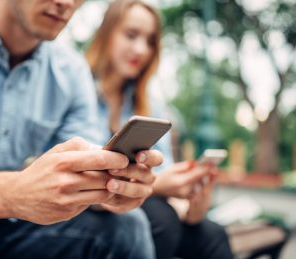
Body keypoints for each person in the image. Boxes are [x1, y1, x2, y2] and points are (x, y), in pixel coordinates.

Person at [0, 0, 163, 258]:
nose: (66, 3)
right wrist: (11, 192)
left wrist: (109, 187)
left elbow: (80, 174)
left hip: (13, 231)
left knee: (128, 227)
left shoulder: (72, 72)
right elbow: (17, 194)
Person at [86, 0, 234, 258]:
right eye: (131, 35)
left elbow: (164, 173)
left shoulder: (150, 106)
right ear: (107, 33)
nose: (141, 49)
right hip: (90, 210)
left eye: (150, 41)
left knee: (212, 234)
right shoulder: (78, 89)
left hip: (144, 205)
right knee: (159, 218)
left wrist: (190, 209)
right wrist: (159, 186)